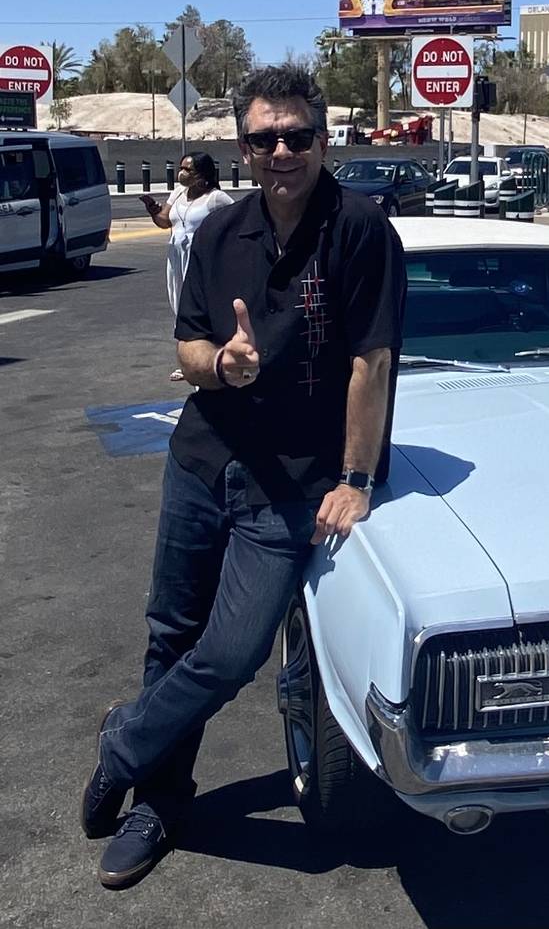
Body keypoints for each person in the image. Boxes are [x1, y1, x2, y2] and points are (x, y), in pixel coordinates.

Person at [81, 65, 407, 888]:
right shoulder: (220, 234)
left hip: (291, 485)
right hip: (202, 460)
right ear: (243, 147)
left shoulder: (361, 229)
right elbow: (187, 348)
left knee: (232, 652)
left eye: (297, 135)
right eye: (264, 138)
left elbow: (374, 358)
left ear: (323, 140)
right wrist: (222, 365)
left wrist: (357, 475)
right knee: (172, 634)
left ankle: (125, 739)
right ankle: (160, 800)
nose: (282, 151)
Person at [142, 152, 234, 380]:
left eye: (187, 170)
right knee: (179, 306)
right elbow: (164, 221)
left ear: (202, 175)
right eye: (180, 168)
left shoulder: (216, 198)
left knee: (198, 308)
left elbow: (236, 222)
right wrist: (153, 209)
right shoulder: (179, 193)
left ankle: (208, 358)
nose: (181, 173)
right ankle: (188, 360)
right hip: (177, 255)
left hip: (202, 259)